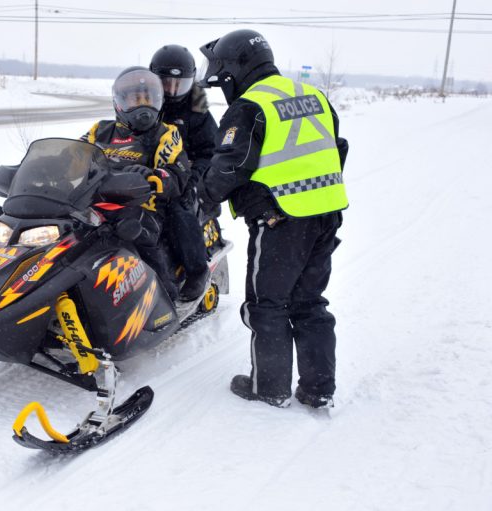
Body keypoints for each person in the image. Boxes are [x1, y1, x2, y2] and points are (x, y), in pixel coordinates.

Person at [197, 30, 349, 408]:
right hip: (327, 215)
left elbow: (229, 167)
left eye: (223, 78)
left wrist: (201, 199)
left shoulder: (250, 106)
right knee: (309, 302)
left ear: (236, 70)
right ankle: (318, 389)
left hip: (280, 220)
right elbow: (337, 148)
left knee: (267, 305)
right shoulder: (314, 96)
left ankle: (269, 389)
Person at [81, 66, 190, 301]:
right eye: (135, 99)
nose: (142, 105)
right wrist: (48, 166)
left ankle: (163, 295)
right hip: (93, 204)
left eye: (147, 99)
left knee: (136, 232)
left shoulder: (165, 134)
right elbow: (75, 155)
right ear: (120, 101)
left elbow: (177, 171)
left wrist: (153, 176)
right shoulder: (100, 131)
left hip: (144, 207)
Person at [149, 44, 219, 301]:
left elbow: (210, 152)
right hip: (148, 172)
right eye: (166, 83)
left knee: (178, 209)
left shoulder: (197, 111)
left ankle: (197, 270)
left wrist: (192, 180)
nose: (172, 90)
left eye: (179, 84)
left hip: (184, 176)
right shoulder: (146, 103)